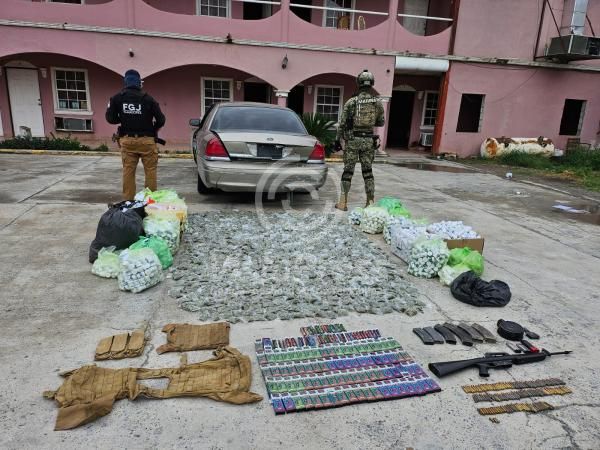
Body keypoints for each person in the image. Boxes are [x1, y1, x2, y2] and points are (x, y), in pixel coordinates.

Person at [106, 69, 165, 200]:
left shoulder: (117, 98)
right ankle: (149, 202)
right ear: (139, 82)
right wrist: (153, 129)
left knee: (128, 171)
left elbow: (110, 119)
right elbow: (161, 120)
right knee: (150, 171)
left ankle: (128, 202)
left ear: (125, 82)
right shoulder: (148, 99)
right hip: (147, 141)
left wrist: (123, 118)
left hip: (127, 141)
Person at [334, 69, 385, 211]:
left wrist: (337, 140)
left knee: (348, 172)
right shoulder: (377, 102)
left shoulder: (352, 102)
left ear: (359, 83)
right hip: (368, 141)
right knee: (368, 172)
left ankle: (343, 203)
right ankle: (370, 202)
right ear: (372, 83)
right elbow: (381, 122)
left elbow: (342, 123)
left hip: (352, 141)